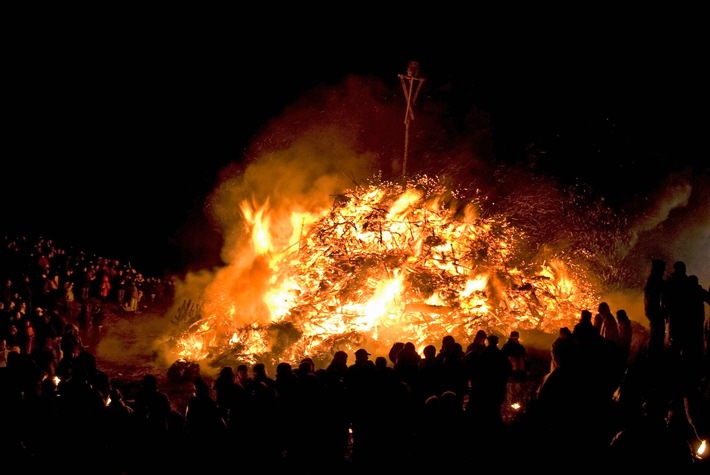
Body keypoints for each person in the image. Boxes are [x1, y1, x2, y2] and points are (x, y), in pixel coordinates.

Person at [643, 258, 668, 360]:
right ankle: (654, 357)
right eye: (662, 269)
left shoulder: (652, 279)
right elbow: (663, 289)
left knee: (656, 334)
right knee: (657, 335)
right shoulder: (655, 280)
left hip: (653, 312)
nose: (663, 271)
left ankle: (653, 355)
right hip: (655, 313)